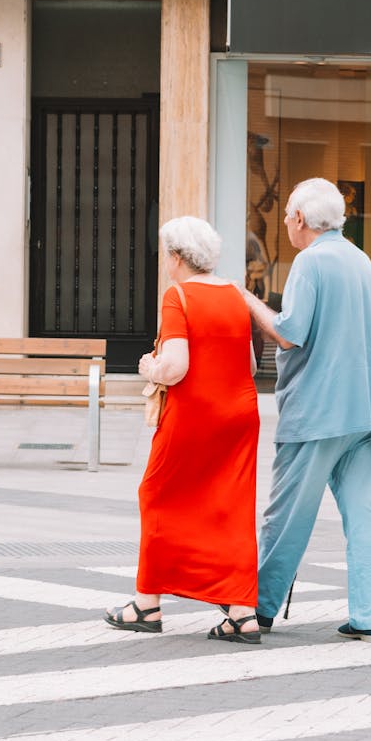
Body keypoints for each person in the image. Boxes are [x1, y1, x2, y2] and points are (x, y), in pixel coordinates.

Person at [241, 178, 371, 643]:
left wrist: (247, 300)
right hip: (370, 411)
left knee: (287, 515)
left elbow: (290, 333)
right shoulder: (362, 262)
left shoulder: (309, 262)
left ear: (301, 220)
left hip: (317, 413)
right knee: (369, 517)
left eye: (289, 215)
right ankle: (369, 618)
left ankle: (259, 609)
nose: (287, 222)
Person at [105, 215, 261, 645]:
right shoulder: (234, 293)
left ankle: (146, 605)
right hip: (241, 415)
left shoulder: (178, 296)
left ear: (176, 258)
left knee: (156, 495)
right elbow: (248, 364)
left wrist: (148, 366)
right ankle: (243, 613)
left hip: (195, 417)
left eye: (166, 256)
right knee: (230, 506)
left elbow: (175, 368)